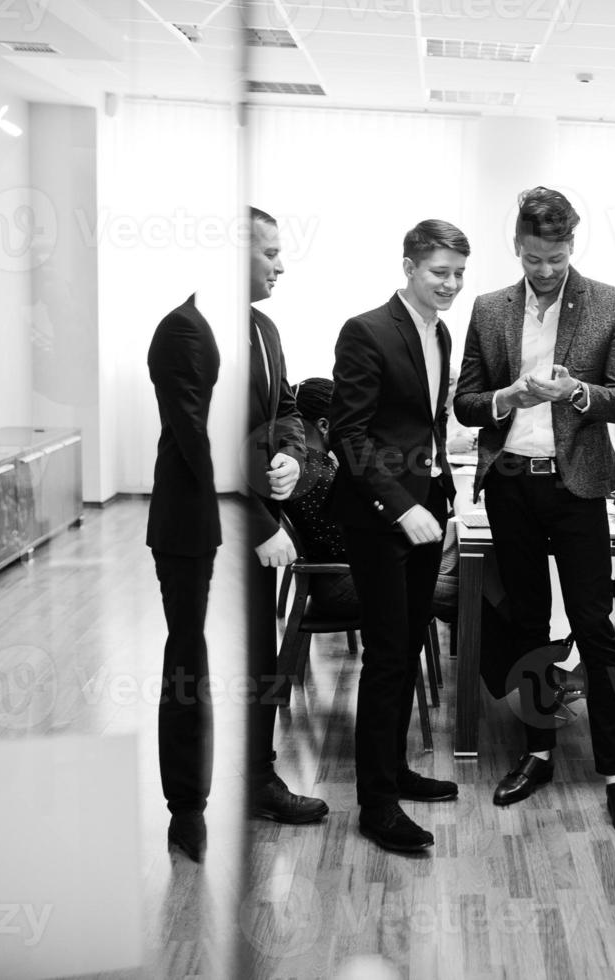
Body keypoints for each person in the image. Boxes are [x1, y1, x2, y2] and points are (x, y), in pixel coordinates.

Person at [452, 187, 615, 839]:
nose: (544, 270)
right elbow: (464, 405)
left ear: (572, 246)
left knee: (595, 627)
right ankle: (536, 755)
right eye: (534, 258)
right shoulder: (487, 310)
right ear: (517, 247)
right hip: (509, 482)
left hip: (578, 486)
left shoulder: (610, 304)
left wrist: (578, 392)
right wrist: (506, 396)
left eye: (556, 258)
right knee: (530, 624)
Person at [330, 219, 466, 853]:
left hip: (426, 505)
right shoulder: (367, 330)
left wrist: (440, 491)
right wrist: (398, 505)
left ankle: (395, 769)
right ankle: (375, 805)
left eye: (460, 273)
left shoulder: (440, 331)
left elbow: (423, 423)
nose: (451, 284)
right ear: (409, 266)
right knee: (386, 656)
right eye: (440, 272)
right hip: (382, 517)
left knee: (409, 646)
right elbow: (349, 437)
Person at [243, 208, 331, 829]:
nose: (281, 263)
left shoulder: (264, 329)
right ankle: (195, 799)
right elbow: (199, 449)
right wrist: (263, 524)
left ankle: (256, 775)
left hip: (262, 516)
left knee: (256, 662)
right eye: (270, 252)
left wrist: (291, 459)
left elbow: (286, 411)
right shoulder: (189, 333)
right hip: (208, 535)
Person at [146, 292, 220, 862]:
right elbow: (190, 430)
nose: (278, 265)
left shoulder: (249, 326)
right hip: (188, 519)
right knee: (188, 655)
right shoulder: (183, 329)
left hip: (216, 516)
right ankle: (186, 809)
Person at [280, 377, 358, 619]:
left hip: (339, 579)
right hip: (341, 585)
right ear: (324, 425)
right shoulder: (316, 474)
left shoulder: (308, 464)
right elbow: (344, 545)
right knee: (462, 589)